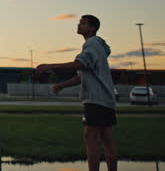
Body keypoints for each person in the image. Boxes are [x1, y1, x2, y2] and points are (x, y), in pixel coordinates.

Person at [36, 15, 118, 171]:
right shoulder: (96, 47)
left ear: (92, 28)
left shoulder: (92, 44)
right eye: (79, 22)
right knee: (106, 138)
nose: (79, 25)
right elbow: (82, 75)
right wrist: (63, 85)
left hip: (96, 99)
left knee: (90, 136)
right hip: (105, 99)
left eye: (83, 23)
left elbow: (79, 64)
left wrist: (49, 66)